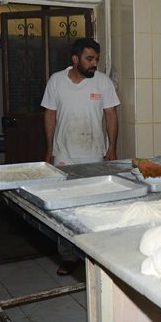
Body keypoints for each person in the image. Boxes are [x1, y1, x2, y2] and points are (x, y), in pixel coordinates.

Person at [41, 38, 120, 275]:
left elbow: (111, 116)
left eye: (96, 58)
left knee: (94, 207)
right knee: (66, 210)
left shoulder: (103, 82)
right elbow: (49, 116)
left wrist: (111, 149)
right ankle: (68, 257)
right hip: (64, 154)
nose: (94, 63)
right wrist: (49, 150)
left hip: (95, 154)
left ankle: (95, 256)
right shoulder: (56, 81)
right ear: (75, 59)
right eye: (89, 59)